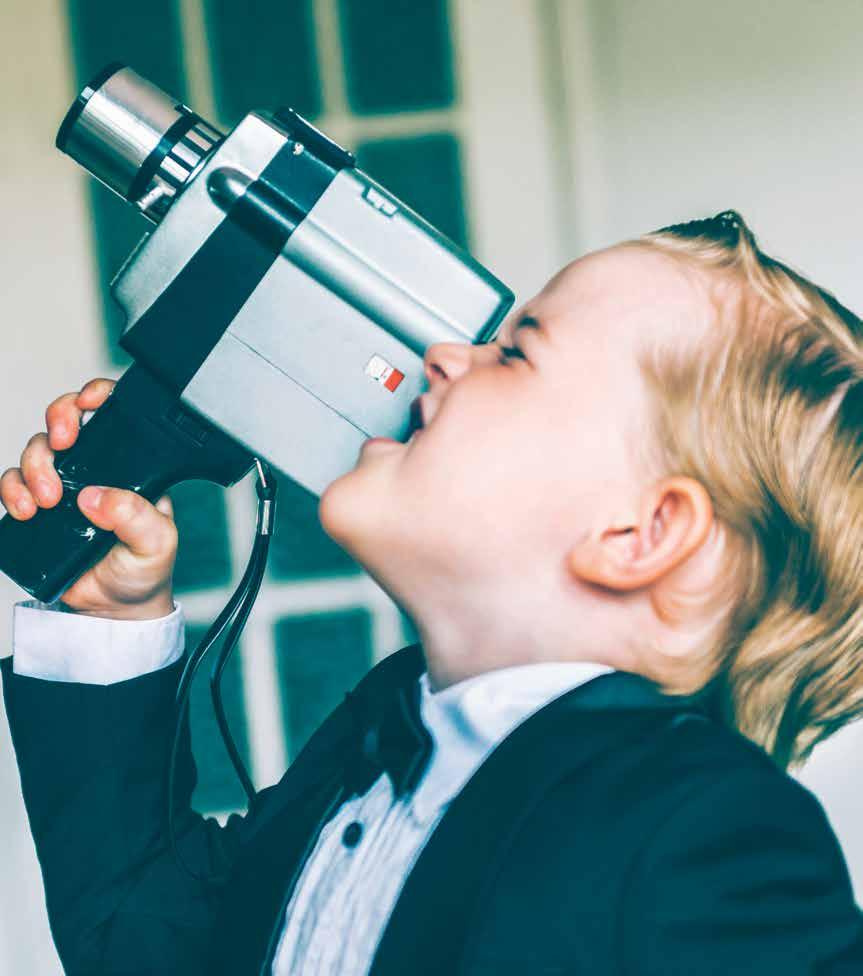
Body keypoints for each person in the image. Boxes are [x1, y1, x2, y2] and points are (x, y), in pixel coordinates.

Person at [2, 211, 862, 975]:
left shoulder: (714, 839)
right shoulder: (377, 736)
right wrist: (108, 618)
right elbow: (143, 945)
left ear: (638, 534)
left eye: (516, 353)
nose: (444, 355)